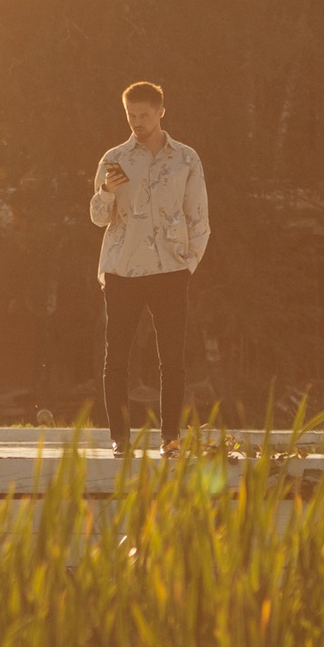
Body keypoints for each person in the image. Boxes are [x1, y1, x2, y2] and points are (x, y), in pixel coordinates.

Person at [89, 81, 209, 454]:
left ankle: (170, 438)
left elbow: (198, 217)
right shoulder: (114, 159)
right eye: (131, 115)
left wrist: (188, 265)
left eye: (143, 114)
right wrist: (106, 191)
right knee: (117, 359)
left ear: (160, 112)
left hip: (170, 270)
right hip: (122, 270)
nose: (137, 122)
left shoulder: (186, 159)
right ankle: (119, 438)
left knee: (172, 359)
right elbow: (98, 218)